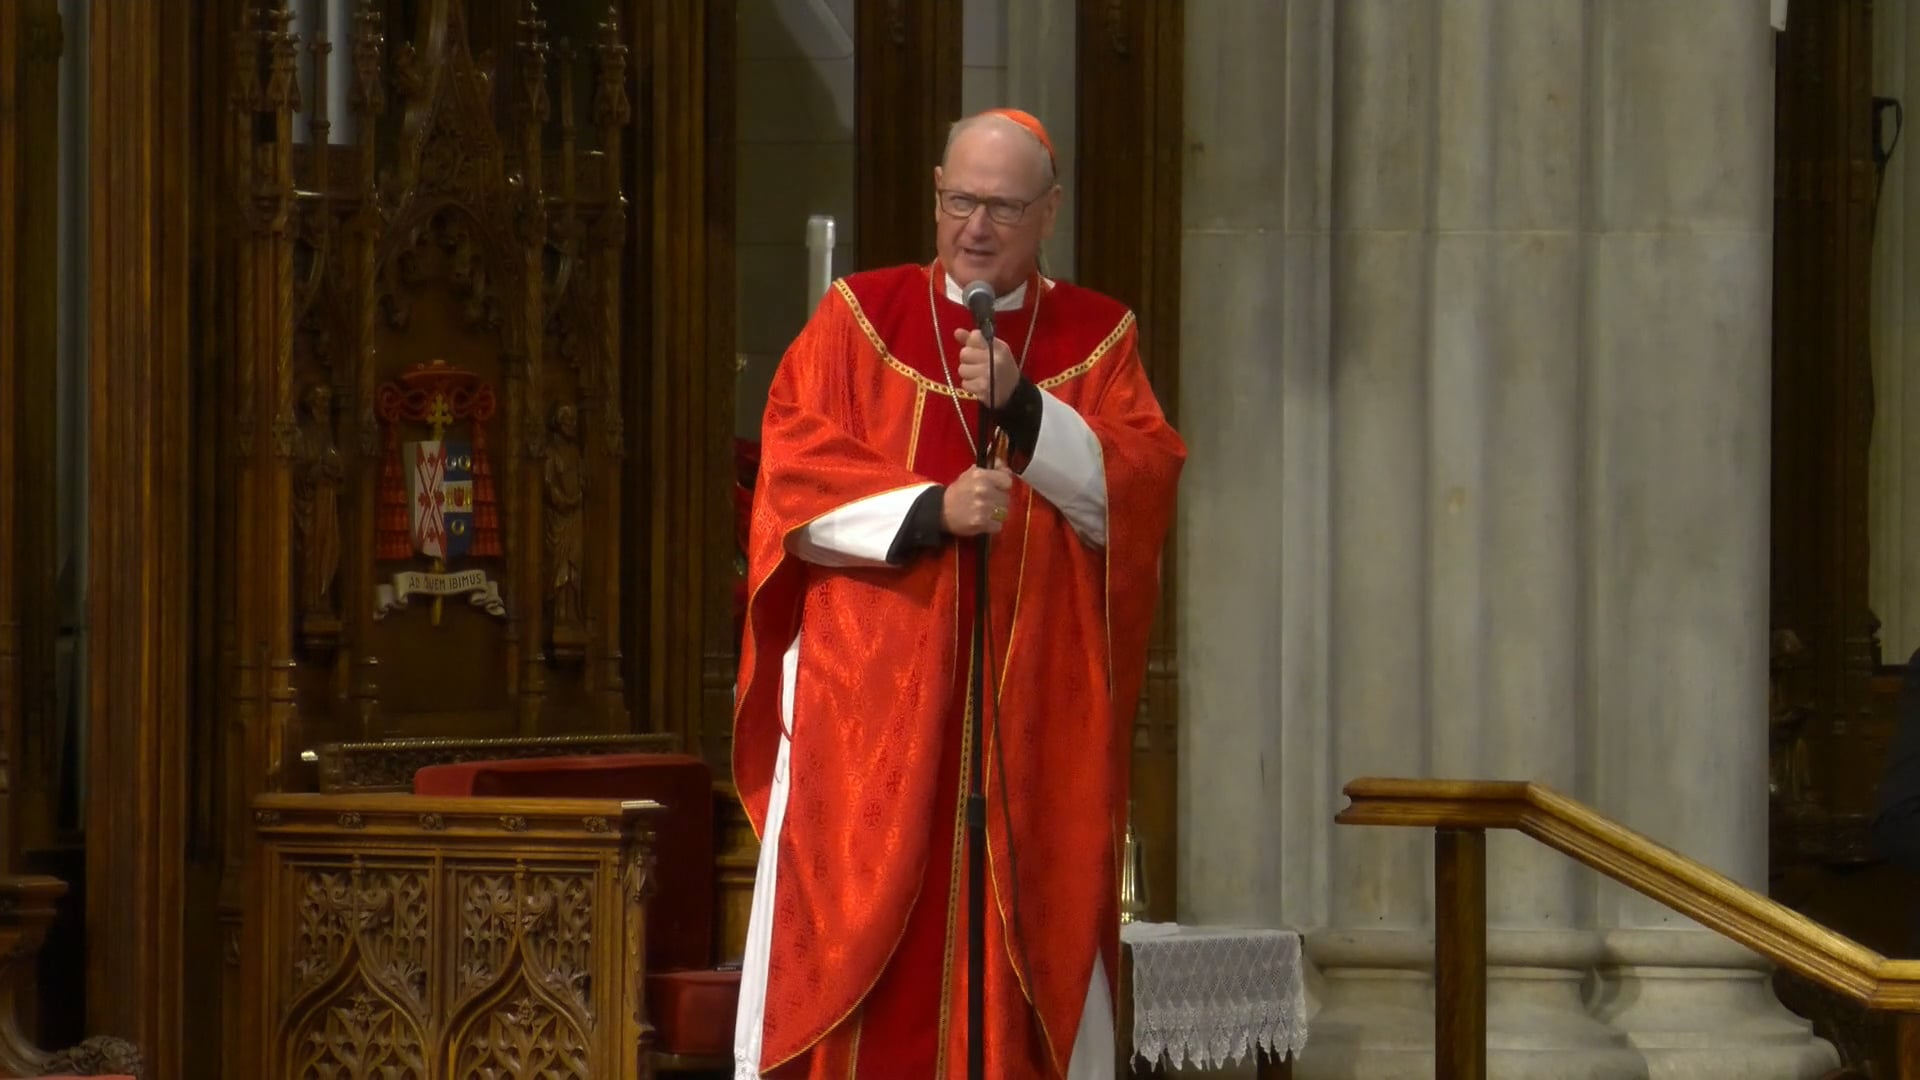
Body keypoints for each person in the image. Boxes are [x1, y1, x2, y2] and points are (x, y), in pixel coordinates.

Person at [730, 107, 1186, 1079]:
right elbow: (790, 487)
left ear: (1049, 212)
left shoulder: (1097, 338)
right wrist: (932, 512)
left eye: (1004, 208)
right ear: (936, 193)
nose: (977, 227)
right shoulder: (861, 319)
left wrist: (1023, 407)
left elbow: (1138, 492)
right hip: (872, 732)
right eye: (960, 202)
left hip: (1030, 738)